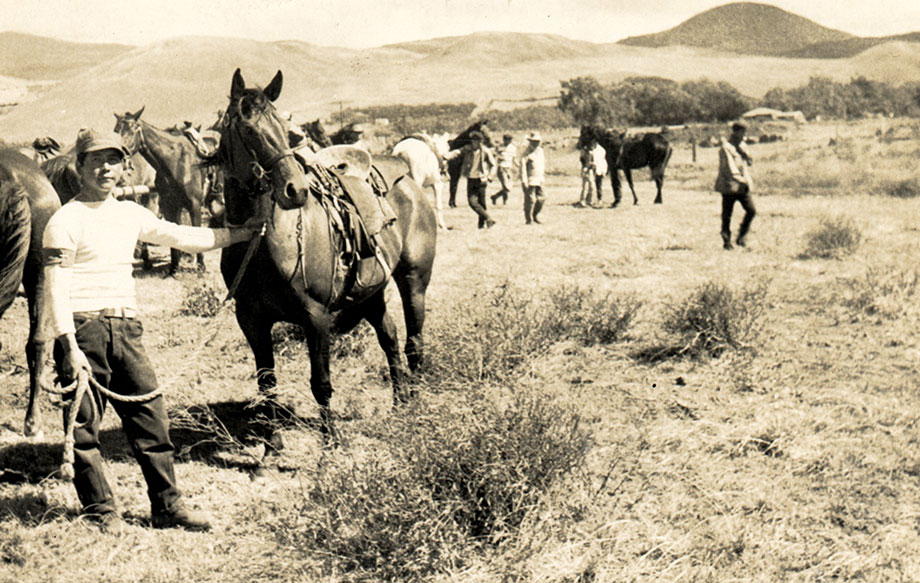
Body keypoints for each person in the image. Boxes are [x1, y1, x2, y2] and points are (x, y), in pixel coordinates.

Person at [41, 129, 259, 532]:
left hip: (127, 329)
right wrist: (68, 344)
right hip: (84, 330)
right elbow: (54, 289)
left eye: (114, 161)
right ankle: (102, 511)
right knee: (85, 429)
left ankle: (168, 507)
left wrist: (240, 234)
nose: (106, 169)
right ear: (80, 166)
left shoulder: (130, 213)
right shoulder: (64, 220)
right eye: (96, 161)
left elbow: (182, 236)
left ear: (123, 168)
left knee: (151, 421)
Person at [714, 122, 756, 250]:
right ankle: (726, 241)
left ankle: (741, 237)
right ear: (735, 131)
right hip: (729, 185)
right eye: (742, 131)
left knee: (751, 211)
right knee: (727, 214)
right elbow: (729, 168)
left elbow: (749, 163)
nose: (744, 134)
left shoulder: (742, 145)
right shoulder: (725, 148)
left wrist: (746, 155)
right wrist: (742, 181)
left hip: (742, 185)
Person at [444, 130, 497, 229]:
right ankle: (489, 218)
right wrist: (447, 156)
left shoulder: (485, 151)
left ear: (480, 142)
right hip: (471, 179)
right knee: (472, 202)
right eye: (473, 141)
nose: (475, 143)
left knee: (482, 203)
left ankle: (481, 225)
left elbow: (493, 165)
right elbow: (457, 152)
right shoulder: (467, 149)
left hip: (481, 180)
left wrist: (490, 176)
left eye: (477, 141)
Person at [521, 132, 546, 224]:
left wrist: (542, 176)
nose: (536, 143)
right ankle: (528, 219)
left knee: (542, 198)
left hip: (540, 179)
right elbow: (523, 168)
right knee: (530, 200)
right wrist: (524, 181)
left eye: (537, 141)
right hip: (530, 180)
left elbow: (542, 164)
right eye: (534, 141)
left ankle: (535, 215)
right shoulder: (526, 153)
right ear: (530, 142)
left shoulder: (540, 151)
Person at [491, 134, 516, 205]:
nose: (509, 141)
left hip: (509, 168)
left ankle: (496, 197)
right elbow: (494, 155)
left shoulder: (513, 148)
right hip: (502, 168)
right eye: (507, 140)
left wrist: (519, 166)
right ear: (504, 140)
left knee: (507, 187)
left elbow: (514, 159)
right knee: (506, 187)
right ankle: (500, 199)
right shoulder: (499, 147)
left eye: (510, 140)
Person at [576, 141, 597, 208]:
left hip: (590, 170)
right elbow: (583, 160)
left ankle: (589, 200)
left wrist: (592, 165)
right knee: (584, 187)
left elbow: (592, 161)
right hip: (585, 170)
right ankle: (582, 201)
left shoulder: (591, 154)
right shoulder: (584, 153)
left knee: (591, 186)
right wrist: (587, 166)